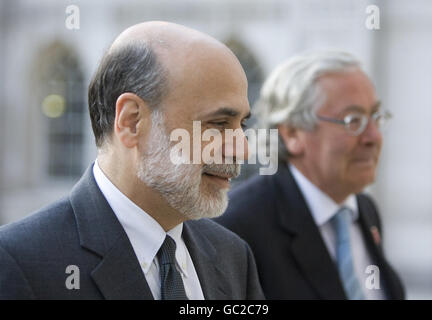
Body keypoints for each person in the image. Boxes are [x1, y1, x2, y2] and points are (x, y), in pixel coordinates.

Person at [0, 21, 264, 300]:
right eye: (218, 124)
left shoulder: (232, 255)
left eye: (242, 126)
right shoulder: (20, 262)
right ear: (131, 121)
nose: (242, 150)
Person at [215, 51, 405, 299]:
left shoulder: (364, 211)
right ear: (293, 133)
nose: (373, 137)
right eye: (353, 120)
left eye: (376, 117)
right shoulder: (237, 227)